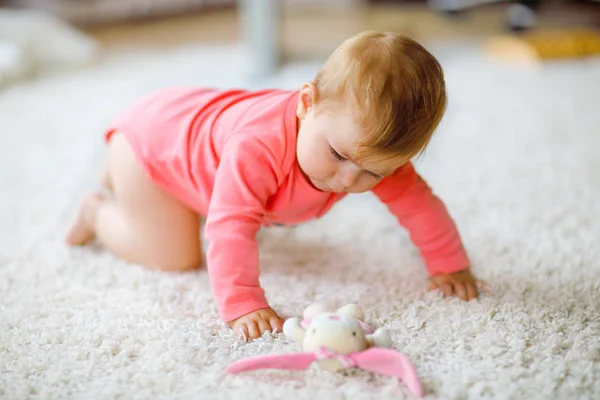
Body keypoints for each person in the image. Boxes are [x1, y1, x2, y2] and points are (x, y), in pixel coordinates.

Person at [66, 31, 483, 340]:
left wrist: (450, 264)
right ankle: (97, 210)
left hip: (189, 130)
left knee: (225, 193)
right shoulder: (258, 147)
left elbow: (419, 205)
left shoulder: (363, 147)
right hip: (152, 148)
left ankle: (121, 179)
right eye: (338, 156)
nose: (349, 180)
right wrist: (244, 303)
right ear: (306, 104)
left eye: (374, 173)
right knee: (176, 256)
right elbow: (230, 226)